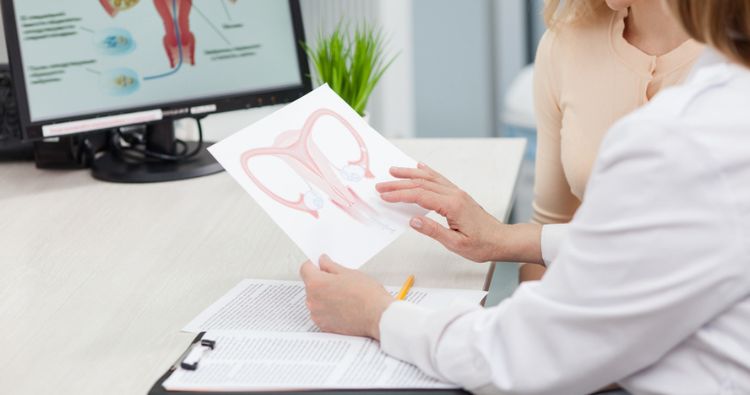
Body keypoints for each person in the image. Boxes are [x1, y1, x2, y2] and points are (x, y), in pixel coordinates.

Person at [300, 0, 750, 393]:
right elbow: (671, 243)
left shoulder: (681, 136)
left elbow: (521, 361)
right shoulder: (714, 112)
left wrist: (377, 314)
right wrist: (508, 240)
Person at [522, 0, 704, 282]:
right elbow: (548, 228)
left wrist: (500, 239)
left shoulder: (734, 59)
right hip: (590, 308)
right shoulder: (565, 44)